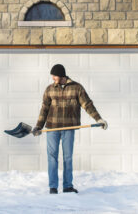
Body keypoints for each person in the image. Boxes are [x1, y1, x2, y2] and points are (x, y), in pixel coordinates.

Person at [32, 64, 108, 194]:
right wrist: (39, 126)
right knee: (52, 157)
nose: (52, 78)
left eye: (54, 75)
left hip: (69, 127)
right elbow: (44, 109)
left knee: (68, 158)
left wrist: (98, 119)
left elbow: (87, 104)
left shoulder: (76, 88)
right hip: (52, 128)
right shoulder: (49, 89)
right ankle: (53, 187)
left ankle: (67, 186)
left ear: (61, 76)